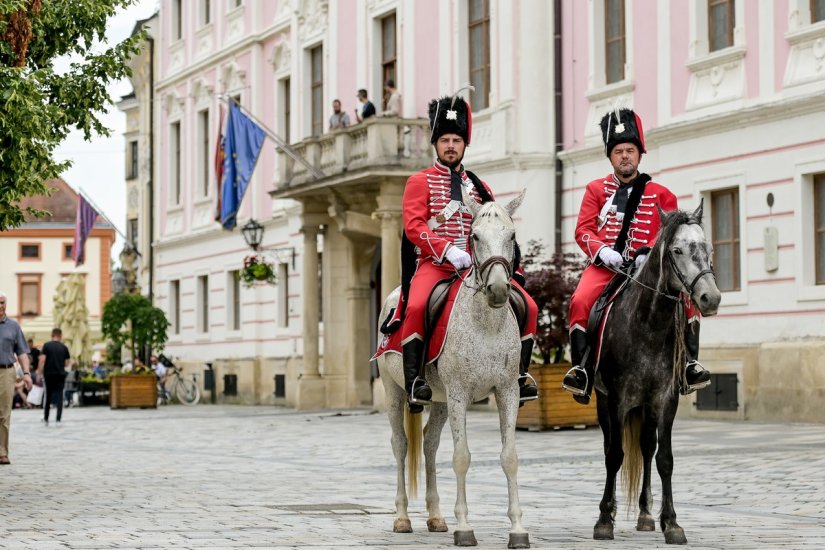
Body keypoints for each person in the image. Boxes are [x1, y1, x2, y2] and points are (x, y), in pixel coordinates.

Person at [398, 93, 539, 413]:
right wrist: (446, 248)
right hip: (435, 265)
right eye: (445, 140)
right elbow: (414, 226)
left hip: (477, 268)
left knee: (528, 306)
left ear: (465, 145)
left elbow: (496, 225)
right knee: (418, 304)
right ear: (435, 144)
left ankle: (519, 376)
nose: (451, 145)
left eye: (456, 140)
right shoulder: (419, 181)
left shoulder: (479, 187)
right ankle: (415, 382)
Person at [561, 108, 711, 404]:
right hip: (606, 268)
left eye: (630, 150)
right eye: (618, 151)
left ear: (639, 154)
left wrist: (650, 256)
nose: (625, 156)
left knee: (688, 296)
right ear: (610, 156)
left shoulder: (661, 194)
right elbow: (583, 230)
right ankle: (582, 369)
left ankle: (690, 363)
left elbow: (671, 235)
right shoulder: (595, 190)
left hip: (650, 270)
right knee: (580, 300)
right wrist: (603, 251)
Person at [0, 291, 32, 464]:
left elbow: (22, 352)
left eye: (2, 302)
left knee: (4, 413)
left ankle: (2, 452)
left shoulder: (13, 326)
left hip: (6, 371)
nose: (0, 306)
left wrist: (26, 374)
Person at [38, 328, 71, 426]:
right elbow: (67, 362)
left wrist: (40, 373)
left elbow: (42, 360)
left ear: (52, 335)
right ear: (60, 336)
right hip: (60, 374)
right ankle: (58, 420)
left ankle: (46, 419)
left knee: (48, 396)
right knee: (60, 396)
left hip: (49, 374)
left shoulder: (47, 345)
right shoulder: (64, 347)